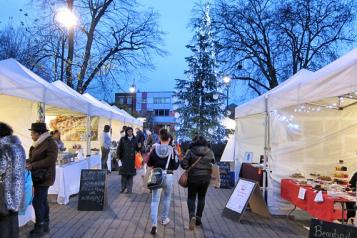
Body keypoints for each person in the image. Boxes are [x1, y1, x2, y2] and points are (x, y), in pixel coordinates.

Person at [26, 122, 58, 238]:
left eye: (32, 133)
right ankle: (44, 225)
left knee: (38, 201)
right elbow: (36, 156)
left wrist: (33, 165)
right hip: (39, 175)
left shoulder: (50, 143)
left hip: (45, 176)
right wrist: (29, 161)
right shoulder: (40, 143)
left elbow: (51, 160)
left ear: (39, 133)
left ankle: (40, 227)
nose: (31, 135)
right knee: (42, 200)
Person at [147, 128, 179, 235]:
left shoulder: (154, 149)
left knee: (155, 200)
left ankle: (154, 224)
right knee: (167, 197)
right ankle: (164, 218)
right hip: (168, 175)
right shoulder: (172, 150)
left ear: (160, 138)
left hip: (157, 175)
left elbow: (149, 163)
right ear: (169, 139)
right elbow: (175, 166)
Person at [181, 135, 215, 230]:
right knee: (202, 197)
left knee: (191, 198)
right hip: (206, 178)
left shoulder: (191, 151)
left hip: (193, 178)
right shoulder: (210, 151)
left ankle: (192, 215)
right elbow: (213, 163)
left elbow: (184, 164)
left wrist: (189, 169)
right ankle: (198, 219)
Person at [0, 122, 26, 238]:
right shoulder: (19, 146)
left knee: (3, 223)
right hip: (17, 190)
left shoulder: (3, 148)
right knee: (13, 220)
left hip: (5, 192)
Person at [116, 127, 139, 193]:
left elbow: (138, 149)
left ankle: (129, 189)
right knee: (124, 175)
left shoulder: (135, 139)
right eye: (128, 131)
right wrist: (118, 157)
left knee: (130, 175)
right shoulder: (123, 139)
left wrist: (139, 147)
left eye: (131, 131)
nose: (130, 132)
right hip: (124, 159)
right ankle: (123, 188)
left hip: (132, 160)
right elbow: (119, 148)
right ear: (126, 132)